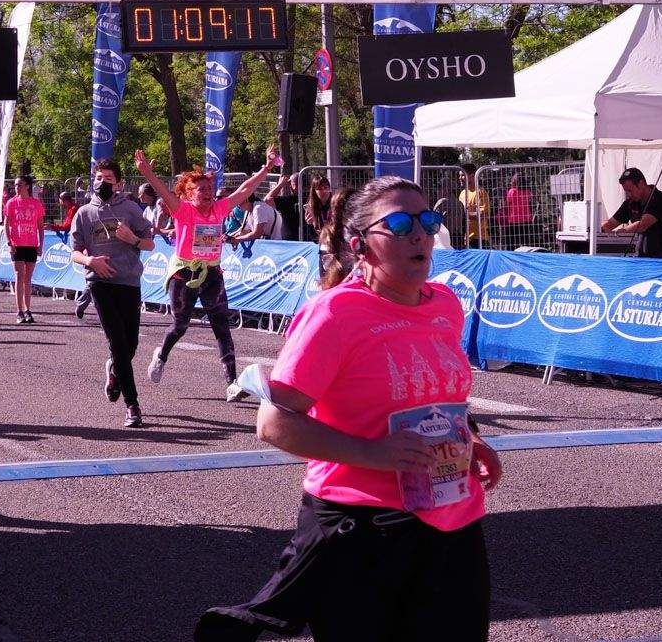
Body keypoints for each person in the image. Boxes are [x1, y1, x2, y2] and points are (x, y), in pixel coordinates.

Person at [195, 176, 500, 641]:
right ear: (361, 246)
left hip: (451, 517)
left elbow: (438, 393)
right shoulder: (335, 314)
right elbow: (274, 423)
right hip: (361, 529)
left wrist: (472, 438)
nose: (418, 233)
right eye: (398, 224)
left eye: (426, 221)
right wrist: (375, 454)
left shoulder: (445, 305)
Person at [136, 144, 280, 403]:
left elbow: (245, 190)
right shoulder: (183, 211)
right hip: (184, 273)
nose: (207, 193)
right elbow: (162, 192)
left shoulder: (220, 209)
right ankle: (161, 355)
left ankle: (232, 383)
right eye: (201, 190)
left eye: (209, 189)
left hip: (212, 273)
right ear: (190, 195)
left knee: (222, 327)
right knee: (180, 325)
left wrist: (267, 168)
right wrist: (147, 172)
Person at [70, 159, 156, 428]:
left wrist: (134, 240)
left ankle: (114, 369)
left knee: (130, 345)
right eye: (98, 177)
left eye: (108, 178)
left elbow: (150, 243)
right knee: (118, 343)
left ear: (118, 183)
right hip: (100, 283)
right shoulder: (84, 213)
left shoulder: (131, 209)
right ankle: (133, 405)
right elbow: (74, 251)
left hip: (128, 282)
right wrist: (89, 262)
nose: (102, 183)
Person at [601, 166, 662, 258]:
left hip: (660, 261)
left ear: (641, 183)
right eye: (626, 191)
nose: (628, 194)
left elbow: (643, 224)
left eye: (630, 190)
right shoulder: (630, 203)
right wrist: (601, 229)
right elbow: (610, 223)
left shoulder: (661, 199)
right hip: (637, 261)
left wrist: (618, 233)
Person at [2, 175, 45, 325]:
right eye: (15, 185)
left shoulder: (36, 204)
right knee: (19, 276)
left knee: (28, 279)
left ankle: (28, 309)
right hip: (17, 244)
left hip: (31, 244)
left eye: (20, 185)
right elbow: (6, 225)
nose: (17, 188)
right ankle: (19, 311)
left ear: (27, 186)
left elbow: (40, 227)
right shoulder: (11, 203)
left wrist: (41, 245)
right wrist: (9, 242)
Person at [499, 173, 535, 249]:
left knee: (512, 243)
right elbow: (530, 204)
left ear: (514, 181)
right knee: (526, 242)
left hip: (514, 220)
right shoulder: (528, 192)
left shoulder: (512, 192)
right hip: (526, 220)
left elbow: (507, 205)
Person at [458, 164, 490, 249]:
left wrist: (465, 214)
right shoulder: (462, 193)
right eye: (459, 175)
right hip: (465, 239)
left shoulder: (480, 192)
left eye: (462, 175)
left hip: (479, 239)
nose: (460, 178)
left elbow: (483, 215)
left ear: (472, 176)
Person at [303, 175, 332, 244]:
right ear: (314, 191)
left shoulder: (335, 203)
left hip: (334, 241)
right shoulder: (309, 207)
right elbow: (312, 237)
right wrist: (309, 225)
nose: (324, 191)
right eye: (319, 189)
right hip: (319, 242)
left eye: (326, 187)